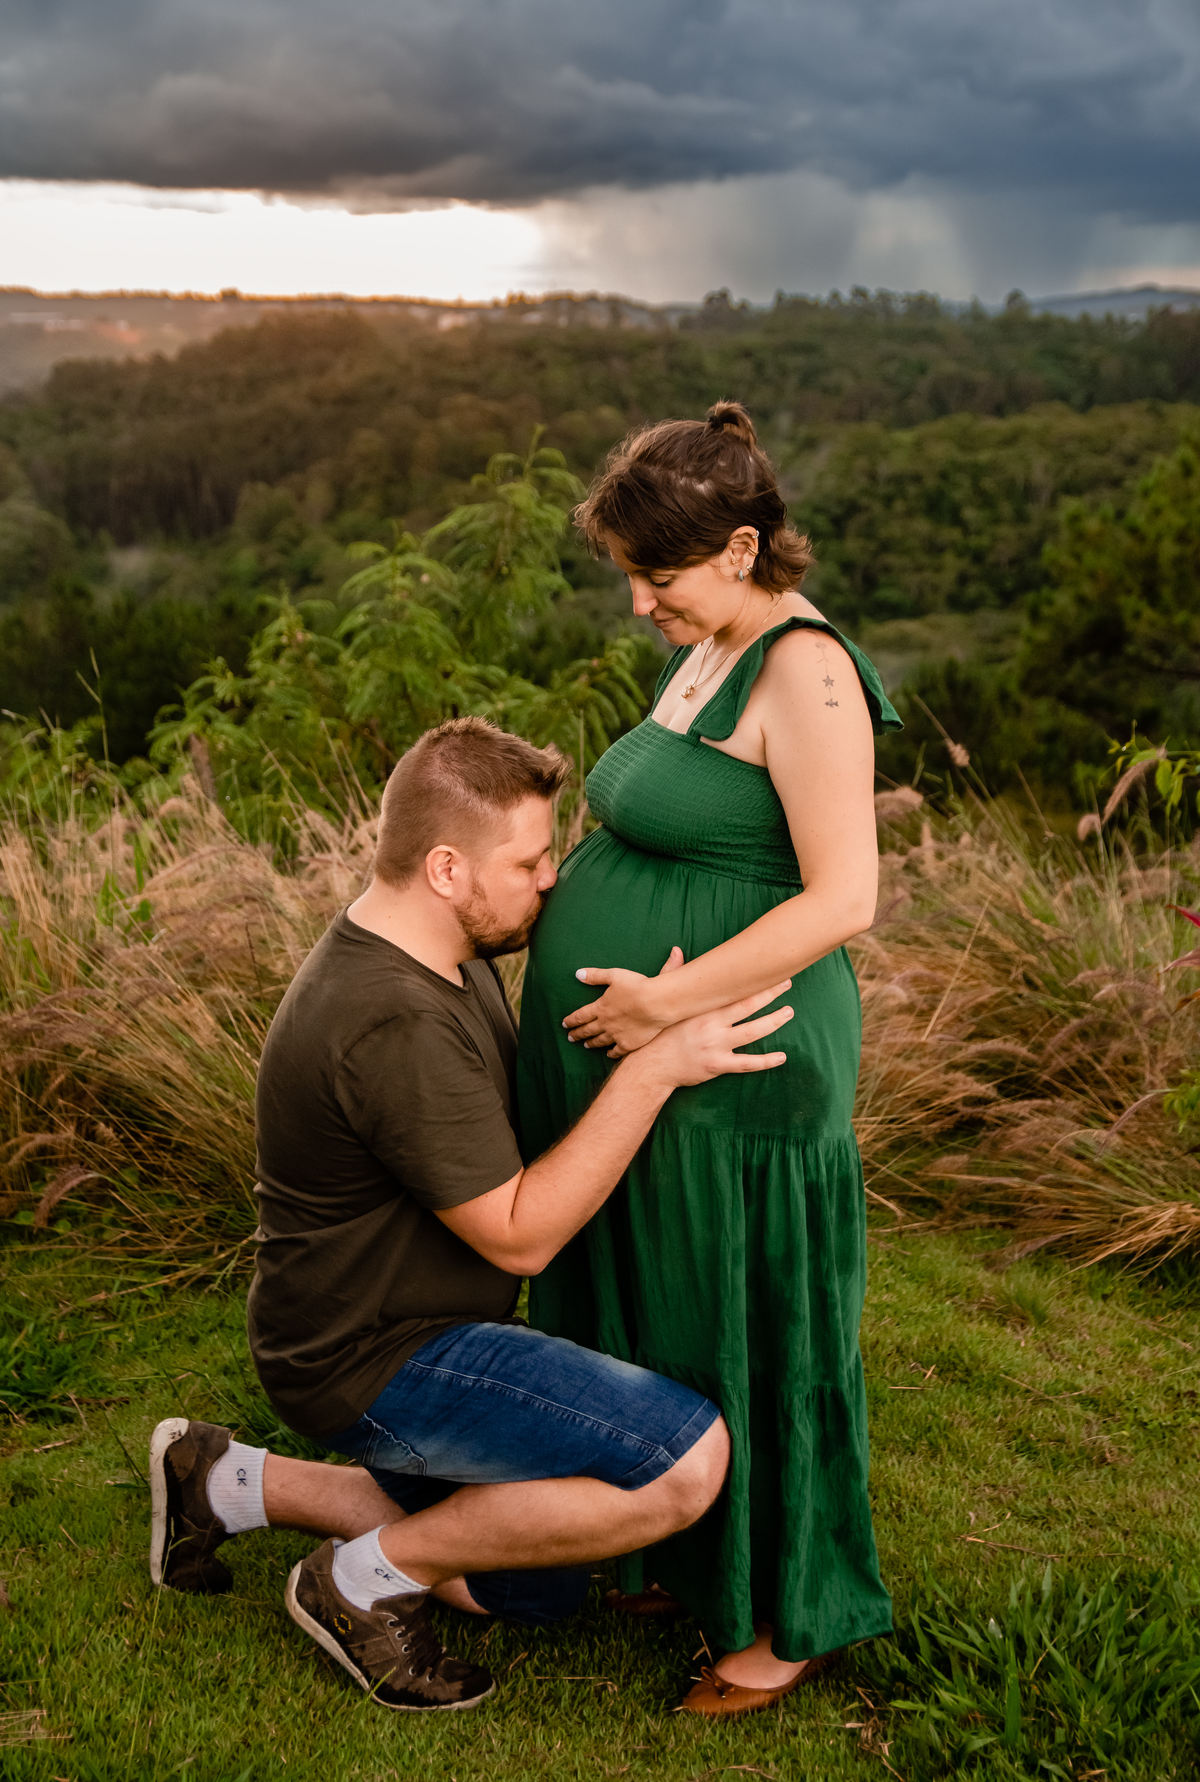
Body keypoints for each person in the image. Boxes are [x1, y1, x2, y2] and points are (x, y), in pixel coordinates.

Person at [148, 716, 795, 1714]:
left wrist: (659, 1004)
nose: (549, 881)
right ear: (448, 869)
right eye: (532, 861)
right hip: (373, 1354)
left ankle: (223, 1483)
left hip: (406, 1325)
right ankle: (354, 1586)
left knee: (522, 1584)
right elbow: (522, 1232)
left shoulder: (439, 950)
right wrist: (660, 1069)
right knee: (682, 1466)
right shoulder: (392, 1019)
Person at [515, 401, 898, 1718]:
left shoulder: (810, 673)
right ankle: (675, 1542)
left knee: (755, 1316)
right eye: (629, 574)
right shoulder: (709, 644)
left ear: (740, 549)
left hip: (743, 1061)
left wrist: (666, 1007)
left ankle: (784, 1618)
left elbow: (844, 899)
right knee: (669, 1304)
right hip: (666, 1054)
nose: (637, 606)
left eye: (656, 577)